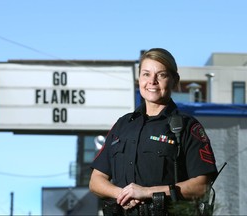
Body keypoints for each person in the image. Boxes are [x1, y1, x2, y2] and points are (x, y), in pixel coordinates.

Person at [89, 48, 218, 215]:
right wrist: (124, 195)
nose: (152, 81)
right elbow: (95, 181)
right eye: (146, 74)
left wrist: (147, 192)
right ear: (139, 78)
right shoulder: (122, 125)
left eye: (161, 75)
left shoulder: (186, 126)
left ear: (174, 80)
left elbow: (201, 186)